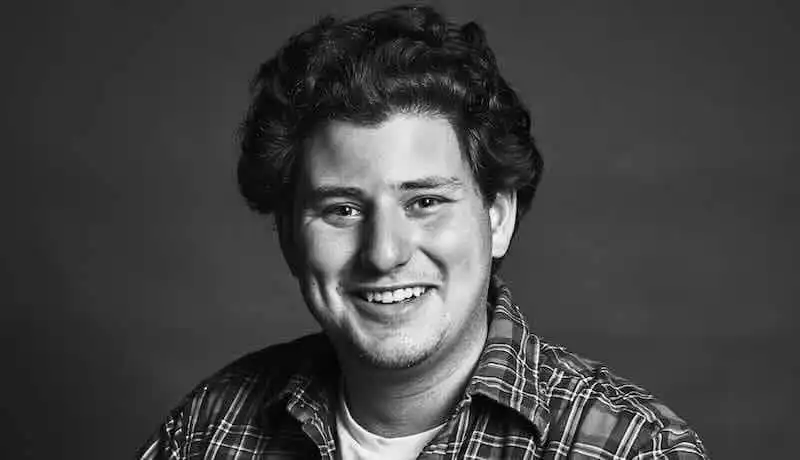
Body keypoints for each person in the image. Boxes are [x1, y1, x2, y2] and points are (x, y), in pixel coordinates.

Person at [138, 5, 707, 459]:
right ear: (288, 235)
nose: (385, 253)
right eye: (342, 210)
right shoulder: (210, 431)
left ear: (498, 216)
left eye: (425, 201)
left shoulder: (629, 449)